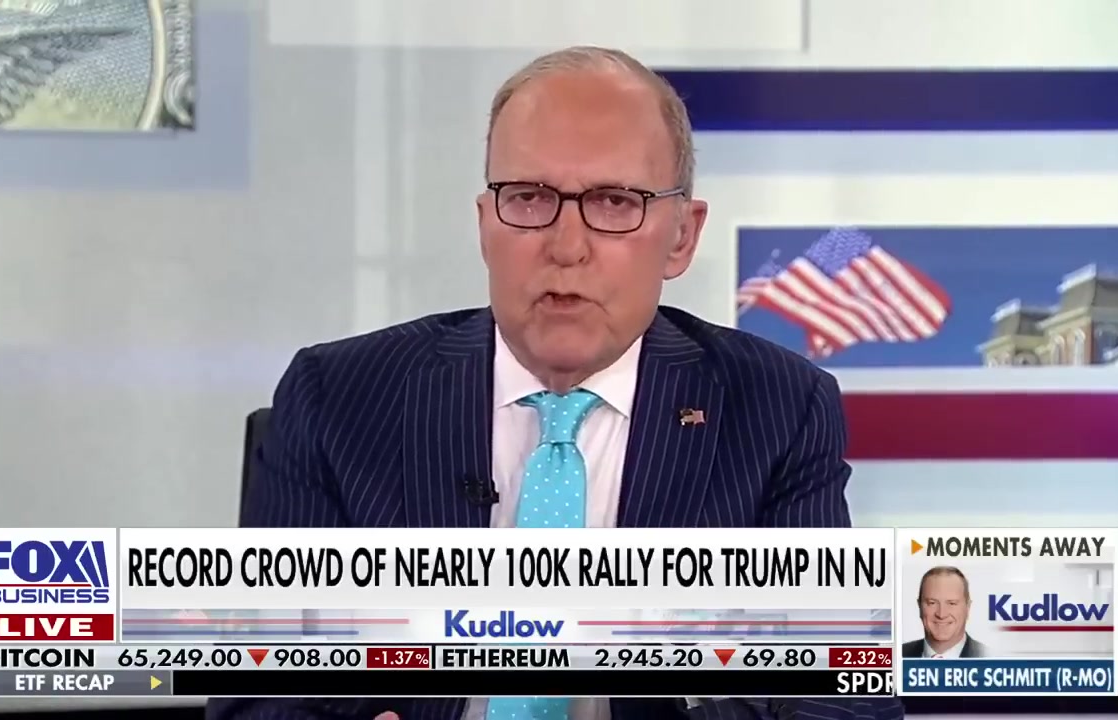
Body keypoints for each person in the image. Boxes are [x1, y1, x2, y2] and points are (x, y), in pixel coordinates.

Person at [208, 46, 905, 720]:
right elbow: (258, 697)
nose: (566, 247)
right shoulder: (337, 398)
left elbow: (841, 695)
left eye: (615, 202)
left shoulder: (777, 409)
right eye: (529, 197)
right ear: (486, 223)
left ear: (681, 237)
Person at [901, 566, 988, 659]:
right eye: (932, 603)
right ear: (919, 606)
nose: (941, 614)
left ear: (968, 607)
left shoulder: (991, 657)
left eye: (952, 603)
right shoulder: (897, 654)